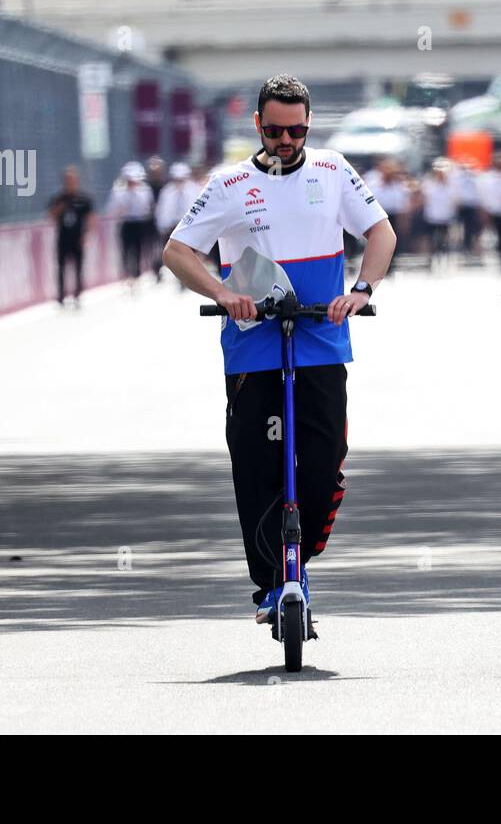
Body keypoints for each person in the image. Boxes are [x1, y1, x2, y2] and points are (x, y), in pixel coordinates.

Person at [163, 74, 396, 626]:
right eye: (274, 130)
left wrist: (361, 291)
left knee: (323, 465)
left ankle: (301, 554)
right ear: (257, 126)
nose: (285, 141)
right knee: (257, 467)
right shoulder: (228, 184)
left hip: (320, 338)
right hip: (253, 346)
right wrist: (224, 293)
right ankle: (274, 580)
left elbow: (381, 234)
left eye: (295, 130)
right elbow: (178, 251)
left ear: (309, 123)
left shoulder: (333, 170)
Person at [46, 165, 94, 307]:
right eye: (68, 180)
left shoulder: (84, 199)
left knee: (78, 267)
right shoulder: (59, 198)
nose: (70, 182)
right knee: (61, 267)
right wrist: (61, 207)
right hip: (63, 238)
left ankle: (78, 293)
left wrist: (87, 235)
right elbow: (51, 216)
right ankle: (61, 295)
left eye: (72, 180)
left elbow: (90, 218)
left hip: (78, 238)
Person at [109, 162, 154, 290]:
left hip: (139, 223)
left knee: (138, 250)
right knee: (125, 251)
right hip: (126, 223)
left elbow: (147, 208)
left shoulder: (144, 190)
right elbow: (112, 209)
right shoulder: (118, 191)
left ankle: (136, 275)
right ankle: (126, 274)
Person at [155, 162, 200, 288]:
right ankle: (180, 277)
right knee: (175, 254)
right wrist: (161, 226)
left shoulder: (194, 189)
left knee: (188, 253)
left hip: (188, 225)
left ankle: (186, 277)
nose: (179, 182)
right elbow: (162, 210)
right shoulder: (167, 191)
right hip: (172, 226)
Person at [145, 155, 168, 282]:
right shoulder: (146, 186)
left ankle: (162, 266)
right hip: (150, 220)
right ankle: (156, 269)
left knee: (163, 245)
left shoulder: (166, 185)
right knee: (153, 247)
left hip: (164, 219)